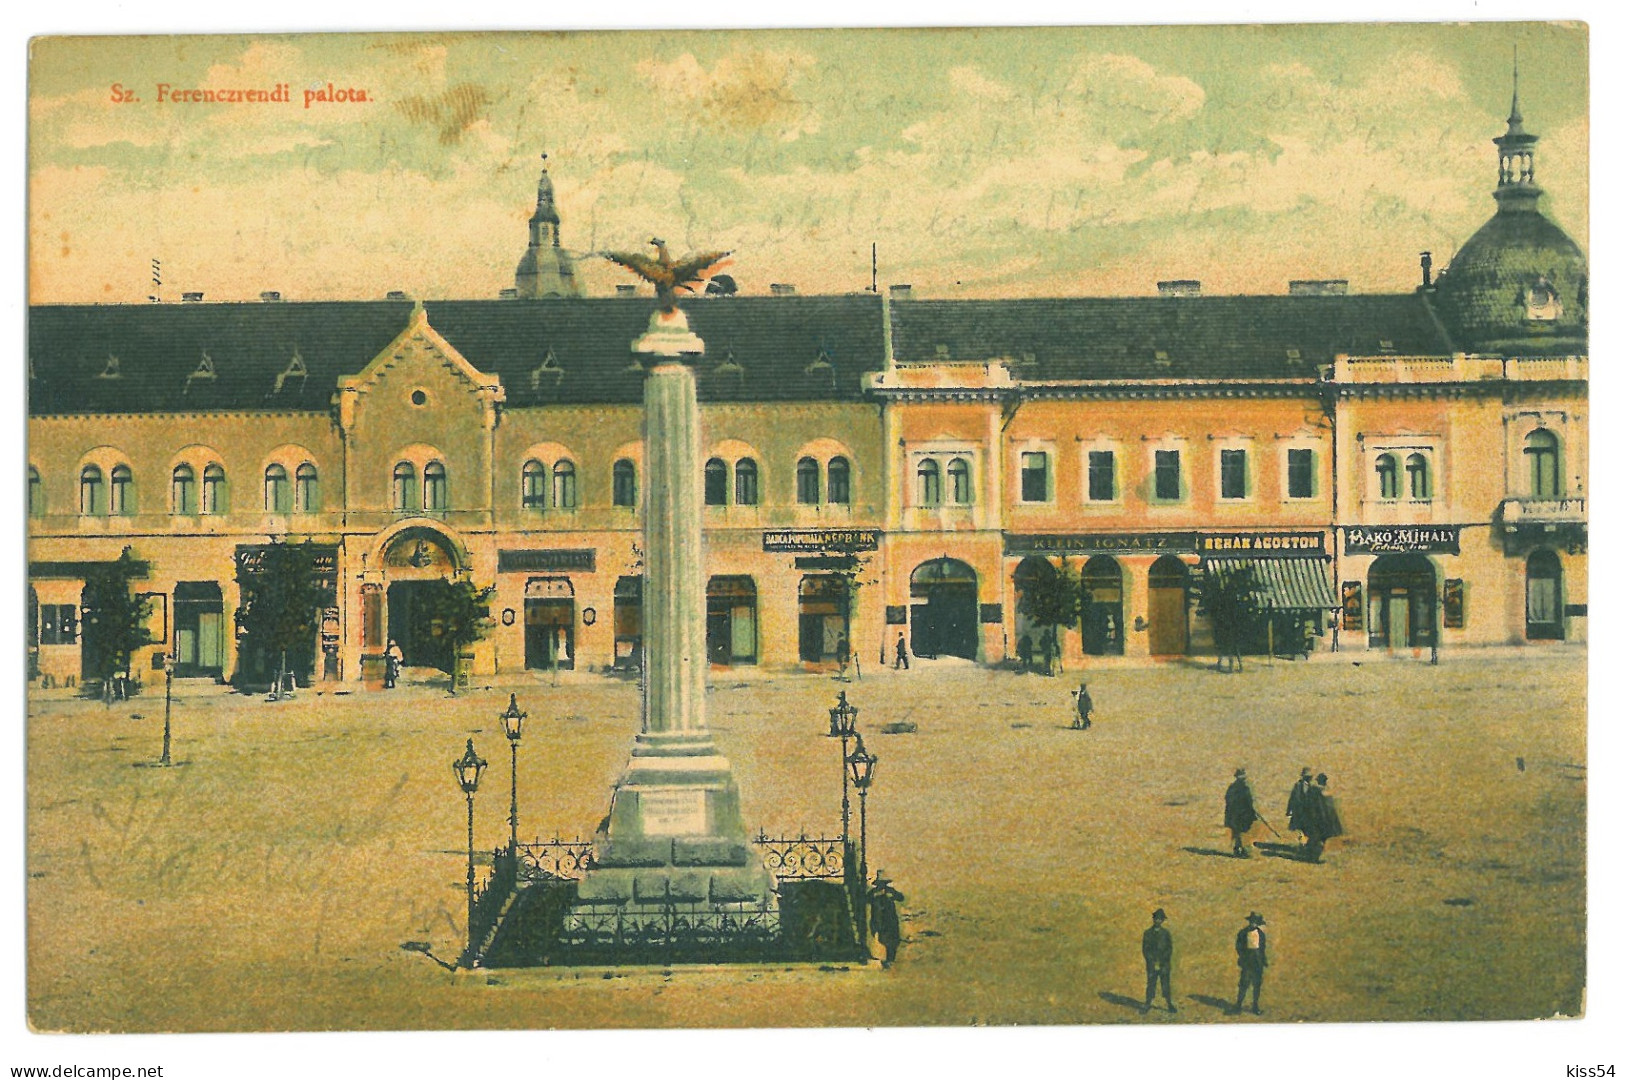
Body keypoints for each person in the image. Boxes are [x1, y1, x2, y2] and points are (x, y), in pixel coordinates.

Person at [1304, 772, 1345, 863]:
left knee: (1318, 838)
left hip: (1319, 818)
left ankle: (1312, 855)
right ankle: (1313, 857)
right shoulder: (1319, 791)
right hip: (1322, 819)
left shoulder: (1314, 790)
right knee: (1319, 838)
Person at [868, 871, 906, 968]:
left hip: (890, 920)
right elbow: (866, 899)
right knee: (881, 940)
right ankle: (883, 960)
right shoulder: (873, 892)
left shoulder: (890, 891)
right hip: (879, 920)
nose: (882, 886)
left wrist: (892, 896)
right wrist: (877, 896)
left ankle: (889, 960)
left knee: (892, 941)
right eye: (881, 884)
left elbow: (901, 897)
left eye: (883, 884)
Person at [1141, 908, 1175, 1013]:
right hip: (1151, 965)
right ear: (1153, 919)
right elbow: (1145, 950)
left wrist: (1162, 962)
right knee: (1151, 984)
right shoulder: (1147, 933)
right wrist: (1153, 962)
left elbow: (1169, 949)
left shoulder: (1166, 934)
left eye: (1160, 919)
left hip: (1164, 965)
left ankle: (1169, 1004)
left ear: (1162, 921)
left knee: (1165, 984)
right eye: (1156, 919)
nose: (1158, 921)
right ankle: (1147, 1004)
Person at [1234, 912, 1268, 1015]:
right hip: (1247, 962)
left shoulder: (1261, 934)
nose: (1253, 924)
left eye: (1256, 922)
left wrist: (1263, 960)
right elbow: (1239, 946)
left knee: (1256, 985)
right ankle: (1238, 1006)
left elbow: (1262, 949)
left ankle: (1255, 1006)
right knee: (1244, 984)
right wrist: (1243, 957)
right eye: (1252, 922)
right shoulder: (1243, 933)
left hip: (1257, 963)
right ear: (1249, 922)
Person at [1224, 768, 1258, 857]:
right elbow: (1250, 801)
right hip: (1243, 814)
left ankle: (1238, 850)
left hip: (1235, 814)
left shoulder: (1232, 787)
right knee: (1244, 832)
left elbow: (1228, 800)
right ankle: (1244, 851)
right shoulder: (1245, 788)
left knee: (1237, 833)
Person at [1285, 767, 1314, 847]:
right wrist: (1289, 811)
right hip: (1299, 811)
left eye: (1309, 777)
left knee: (1307, 829)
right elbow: (1292, 798)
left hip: (1308, 812)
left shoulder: (1312, 787)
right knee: (1300, 828)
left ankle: (1306, 844)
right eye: (1307, 777)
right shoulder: (1297, 786)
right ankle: (1302, 844)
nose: (1308, 778)